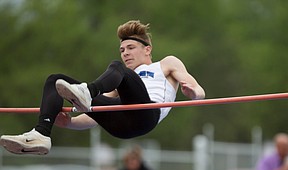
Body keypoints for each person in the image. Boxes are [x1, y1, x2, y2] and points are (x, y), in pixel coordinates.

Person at [0, 20, 205, 155]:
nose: (125, 53)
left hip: (146, 114)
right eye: (122, 49)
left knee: (117, 68)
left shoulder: (165, 64)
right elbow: (97, 112)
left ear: (147, 49)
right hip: (121, 125)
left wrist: (192, 93)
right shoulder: (119, 80)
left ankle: (87, 91)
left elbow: (199, 91)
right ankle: (42, 133)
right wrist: (69, 123)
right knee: (55, 80)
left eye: (131, 48)